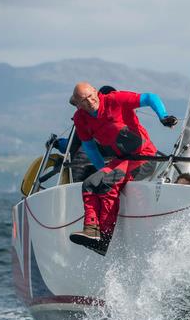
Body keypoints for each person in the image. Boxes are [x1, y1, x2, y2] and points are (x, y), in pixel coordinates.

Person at [68, 82, 178, 255]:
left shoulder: (115, 99)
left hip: (144, 157)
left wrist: (163, 116)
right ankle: (91, 230)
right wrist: (102, 170)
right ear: (77, 104)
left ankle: (103, 238)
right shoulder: (80, 118)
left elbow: (150, 97)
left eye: (91, 96)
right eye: (83, 100)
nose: (89, 101)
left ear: (96, 92)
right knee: (90, 183)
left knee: (108, 184)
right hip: (122, 160)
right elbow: (89, 147)